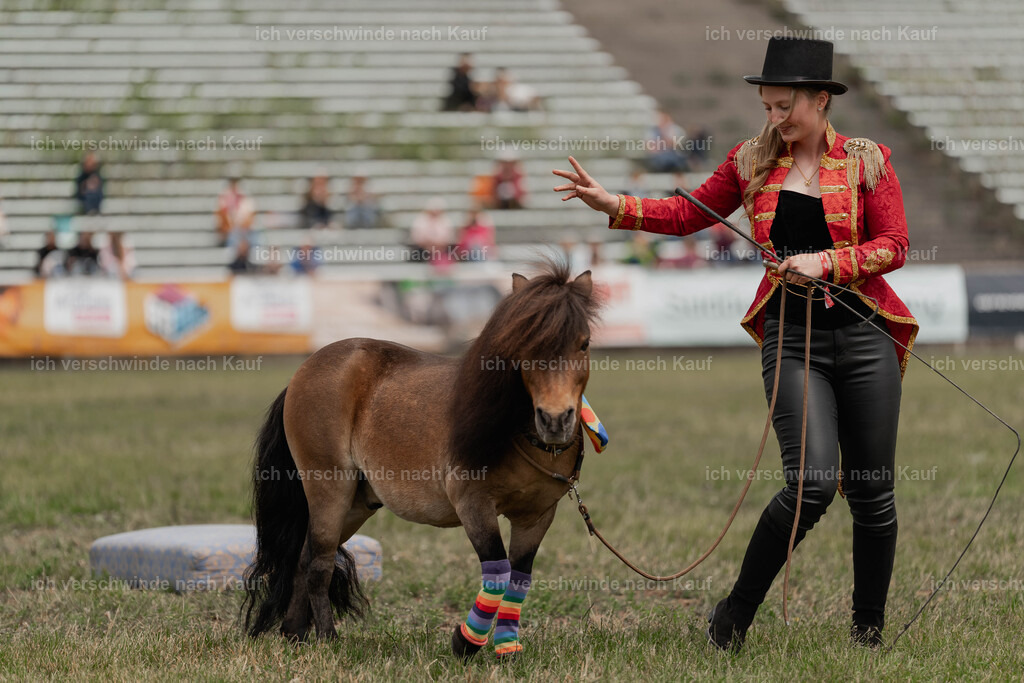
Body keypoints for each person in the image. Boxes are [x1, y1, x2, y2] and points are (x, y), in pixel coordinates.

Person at [553, 37, 918, 652]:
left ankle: (868, 631)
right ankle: (733, 615)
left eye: (785, 108)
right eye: (767, 107)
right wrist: (615, 203)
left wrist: (829, 263)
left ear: (821, 100)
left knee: (872, 490)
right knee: (811, 485)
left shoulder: (868, 161)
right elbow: (687, 212)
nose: (773, 120)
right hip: (792, 340)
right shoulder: (750, 161)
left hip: (866, 336)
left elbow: (896, 245)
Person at [215, 177, 255, 247]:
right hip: (230, 233)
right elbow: (221, 219)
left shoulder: (246, 199)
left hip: (243, 232)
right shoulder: (224, 198)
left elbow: (250, 220)